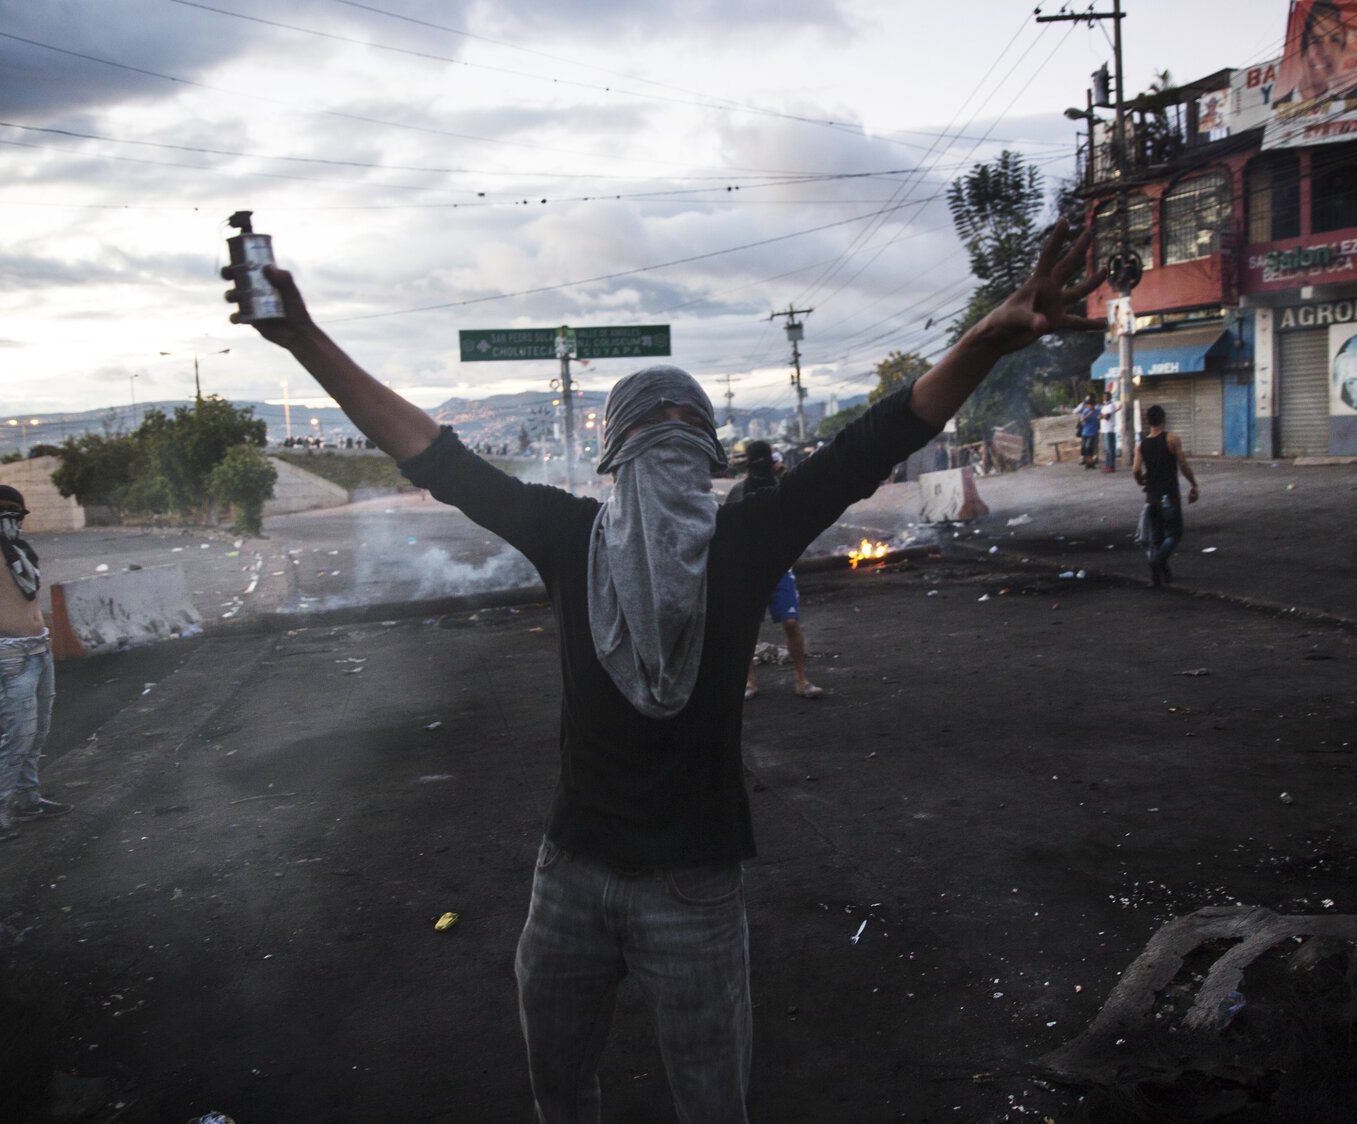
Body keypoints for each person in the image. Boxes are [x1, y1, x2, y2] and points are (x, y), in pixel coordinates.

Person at [229, 219, 1103, 1121]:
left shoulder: (708, 539)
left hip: (686, 888)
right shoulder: (599, 538)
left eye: (690, 427)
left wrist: (984, 341)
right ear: (619, 454)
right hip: (572, 876)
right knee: (565, 1093)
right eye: (657, 425)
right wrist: (305, 340)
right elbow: (433, 454)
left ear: (700, 457)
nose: (673, 441)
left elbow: (874, 442)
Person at [0, 416, 72, 842]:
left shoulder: (20, 551)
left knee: (37, 734)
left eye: (14, 510)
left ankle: (27, 800)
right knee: (19, 736)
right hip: (9, 658)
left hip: (38, 652)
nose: (8, 516)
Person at [725, 441, 822, 700]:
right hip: (748, 568)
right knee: (746, 628)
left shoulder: (782, 486)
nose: (760, 467)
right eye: (756, 462)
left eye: (764, 461)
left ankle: (801, 680)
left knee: (790, 622)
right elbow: (728, 526)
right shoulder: (738, 491)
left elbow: (801, 508)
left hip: (779, 565)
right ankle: (749, 682)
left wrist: (786, 474)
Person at [1132, 404, 1200, 587]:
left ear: (1148, 422)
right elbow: (1183, 465)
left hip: (1151, 497)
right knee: (1175, 532)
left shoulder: (1141, 446)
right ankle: (1158, 561)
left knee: (1157, 536)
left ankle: (1161, 575)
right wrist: (1193, 484)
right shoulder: (1172, 440)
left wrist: (1141, 481)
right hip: (1168, 496)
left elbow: (1136, 470)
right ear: (1164, 419)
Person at [1099, 388, 1120, 473]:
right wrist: (1103, 416)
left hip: (1109, 429)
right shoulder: (1104, 407)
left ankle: (1111, 465)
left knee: (1110, 449)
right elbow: (1099, 416)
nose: (1105, 398)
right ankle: (1107, 465)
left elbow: (1107, 417)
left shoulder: (1111, 406)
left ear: (1110, 397)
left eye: (1106, 397)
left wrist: (1103, 416)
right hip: (1103, 430)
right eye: (1104, 397)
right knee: (1106, 449)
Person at [1075, 393, 1100, 468]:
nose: (1090, 406)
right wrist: (1089, 414)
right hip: (1085, 432)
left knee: (1089, 447)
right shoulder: (1086, 411)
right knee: (1084, 448)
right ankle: (1087, 461)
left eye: (1092, 404)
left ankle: (1091, 461)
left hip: (1093, 432)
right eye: (1089, 404)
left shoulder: (1098, 411)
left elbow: (1102, 416)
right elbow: (1081, 419)